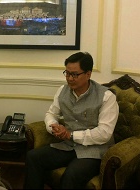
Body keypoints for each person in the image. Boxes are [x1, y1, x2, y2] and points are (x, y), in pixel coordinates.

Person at [24, 52, 119, 189]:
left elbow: (104, 133)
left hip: (95, 150)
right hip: (68, 146)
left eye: (74, 74)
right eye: (67, 73)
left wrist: (71, 135)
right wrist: (53, 126)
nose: (69, 78)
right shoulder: (62, 91)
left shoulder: (106, 96)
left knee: (72, 174)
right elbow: (51, 113)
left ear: (88, 74)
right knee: (33, 157)